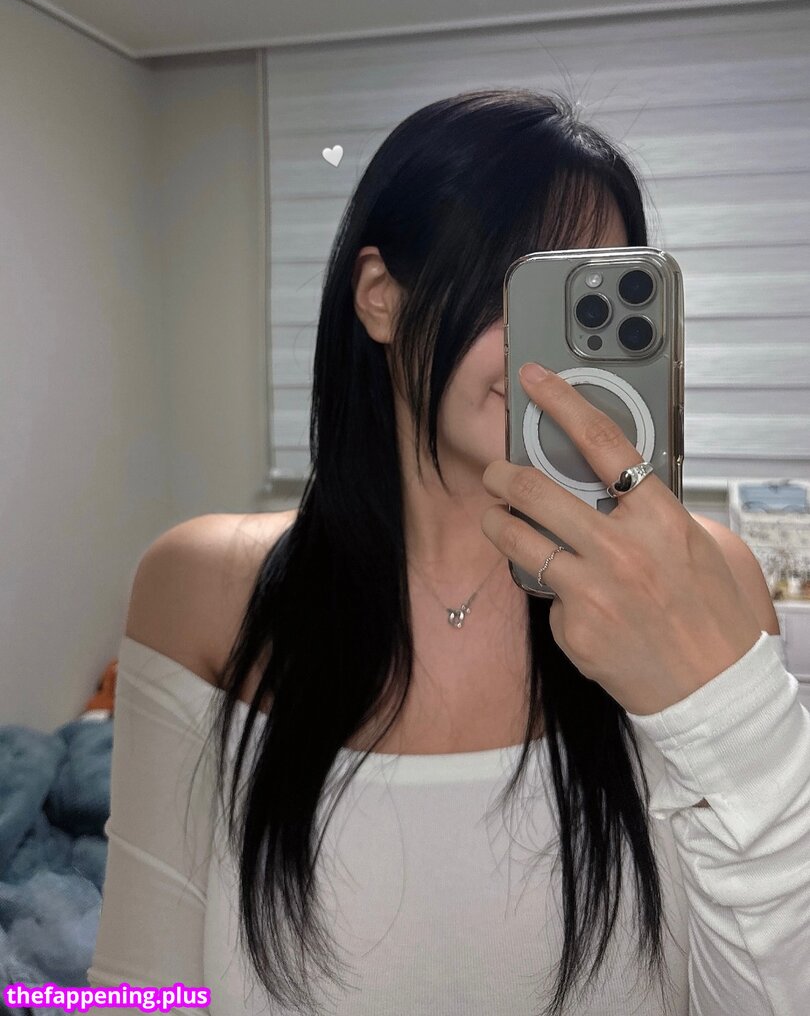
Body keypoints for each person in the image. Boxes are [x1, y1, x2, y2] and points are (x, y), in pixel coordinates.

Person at [87, 89, 809, 1016]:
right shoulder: (203, 588)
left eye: (586, 292)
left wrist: (723, 714)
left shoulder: (706, 584)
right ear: (381, 296)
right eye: (516, 279)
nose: (549, 347)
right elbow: (138, 991)